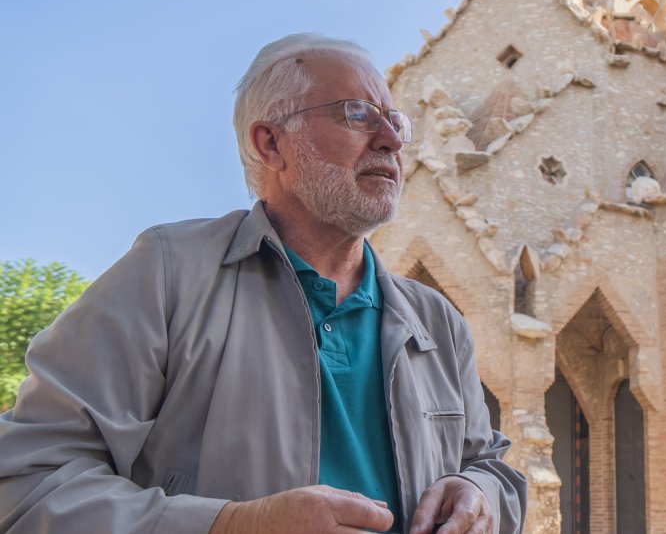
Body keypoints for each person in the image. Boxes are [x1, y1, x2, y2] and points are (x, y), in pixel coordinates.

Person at [0, 34, 526, 533]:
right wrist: (232, 526)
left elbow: (490, 466)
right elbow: (27, 484)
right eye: (357, 114)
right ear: (271, 143)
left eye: (396, 121)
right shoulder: (168, 274)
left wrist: (476, 490)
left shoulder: (438, 321)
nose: (391, 140)